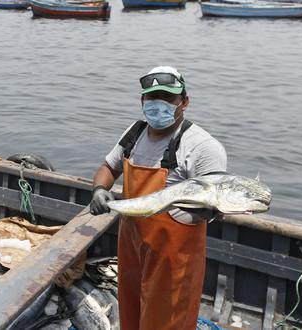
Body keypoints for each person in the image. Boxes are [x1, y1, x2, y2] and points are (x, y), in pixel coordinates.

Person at [90, 66, 227, 330]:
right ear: (142, 101)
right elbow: (109, 168)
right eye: (152, 98)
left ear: (184, 102)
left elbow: (216, 200)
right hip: (130, 244)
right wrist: (99, 189)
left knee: (167, 322)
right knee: (130, 312)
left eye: (168, 98)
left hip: (174, 256)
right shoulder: (134, 132)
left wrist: (211, 209)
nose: (158, 105)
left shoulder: (203, 147)